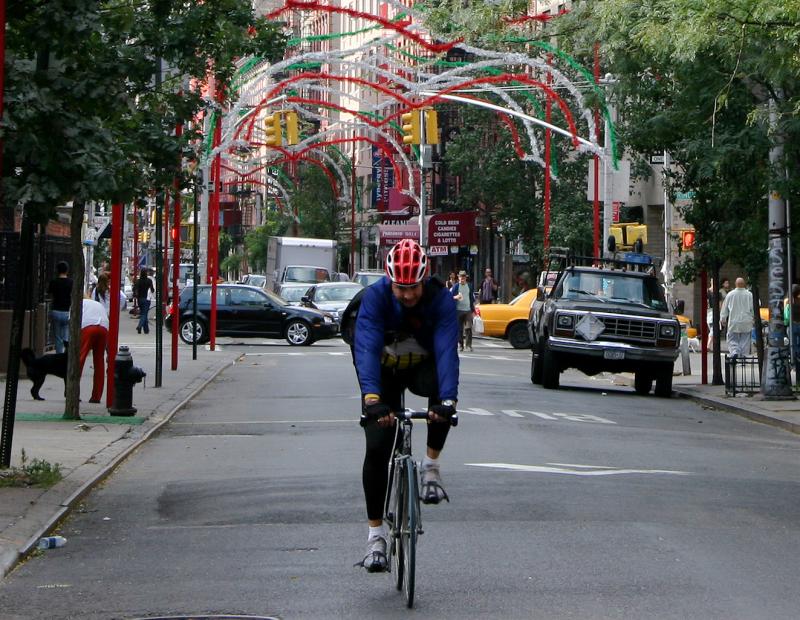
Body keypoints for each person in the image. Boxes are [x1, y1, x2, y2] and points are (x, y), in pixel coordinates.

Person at [353, 239, 459, 573]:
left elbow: (445, 351)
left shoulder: (440, 300)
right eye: (401, 288)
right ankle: (375, 537)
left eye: (413, 288)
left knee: (443, 397)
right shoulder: (375, 298)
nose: (408, 295)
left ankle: (430, 467)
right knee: (377, 446)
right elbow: (366, 349)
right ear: (390, 281)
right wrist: (372, 401)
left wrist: (447, 401)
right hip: (384, 374)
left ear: (424, 279)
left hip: (421, 369)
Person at [80, 297, 109, 403]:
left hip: (87, 326)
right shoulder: (97, 304)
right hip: (103, 327)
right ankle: (96, 396)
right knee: (99, 361)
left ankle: (74, 392)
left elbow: (72, 323)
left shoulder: (78, 303)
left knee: (80, 359)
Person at [720, 277, 754, 357]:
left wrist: (723, 319)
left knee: (732, 339)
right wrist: (753, 317)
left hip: (733, 321)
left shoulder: (730, 294)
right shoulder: (749, 295)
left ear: (735, 284)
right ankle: (743, 356)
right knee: (745, 340)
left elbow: (724, 308)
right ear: (744, 284)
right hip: (746, 321)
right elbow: (754, 307)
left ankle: (735, 351)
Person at [47, 261, 72, 354]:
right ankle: (66, 355)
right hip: (67, 311)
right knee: (66, 334)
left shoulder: (53, 282)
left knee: (57, 336)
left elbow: (50, 295)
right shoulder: (71, 282)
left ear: (57, 271)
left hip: (56, 310)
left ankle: (59, 355)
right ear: (67, 271)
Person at [451, 270, 475, 352]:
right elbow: (450, 297)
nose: (462, 279)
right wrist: (456, 297)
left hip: (468, 310)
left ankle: (468, 345)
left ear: (466, 278)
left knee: (468, 328)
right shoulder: (456, 286)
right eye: (461, 277)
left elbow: (471, 298)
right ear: (458, 277)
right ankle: (461, 345)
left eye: (464, 277)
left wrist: (473, 310)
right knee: (459, 329)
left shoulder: (470, 286)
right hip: (458, 310)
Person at [784, 284, 800, 367]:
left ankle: (794, 364)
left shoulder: (787, 301)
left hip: (791, 325)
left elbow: (785, 314)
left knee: (792, 345)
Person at [135, 268, 155, 334]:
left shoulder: (138, 281)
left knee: (143, 313)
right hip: (146, 299)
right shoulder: (149, 281)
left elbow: (135, 290)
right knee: (144, 314)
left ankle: (146, 330)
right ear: (146, 273)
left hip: (140, 299)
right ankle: (139, 326)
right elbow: (152, 290)